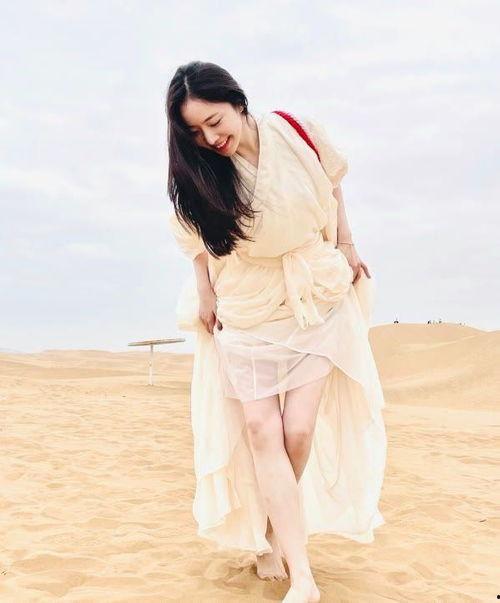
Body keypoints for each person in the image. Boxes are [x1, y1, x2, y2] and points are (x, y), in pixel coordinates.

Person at [166, 61, 387, 603]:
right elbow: (195, 240)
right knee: (263, 431)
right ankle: (302, 575)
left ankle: (271, 530)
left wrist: (348, 244)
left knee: (298, 432)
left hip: (313, 296)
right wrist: (204, 292)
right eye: (195, 132)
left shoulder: (296, 131)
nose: (209, 138)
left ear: (238, 102)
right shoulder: (201, 174)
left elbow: (333, 184)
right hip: (245, 305)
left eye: (214, 122)